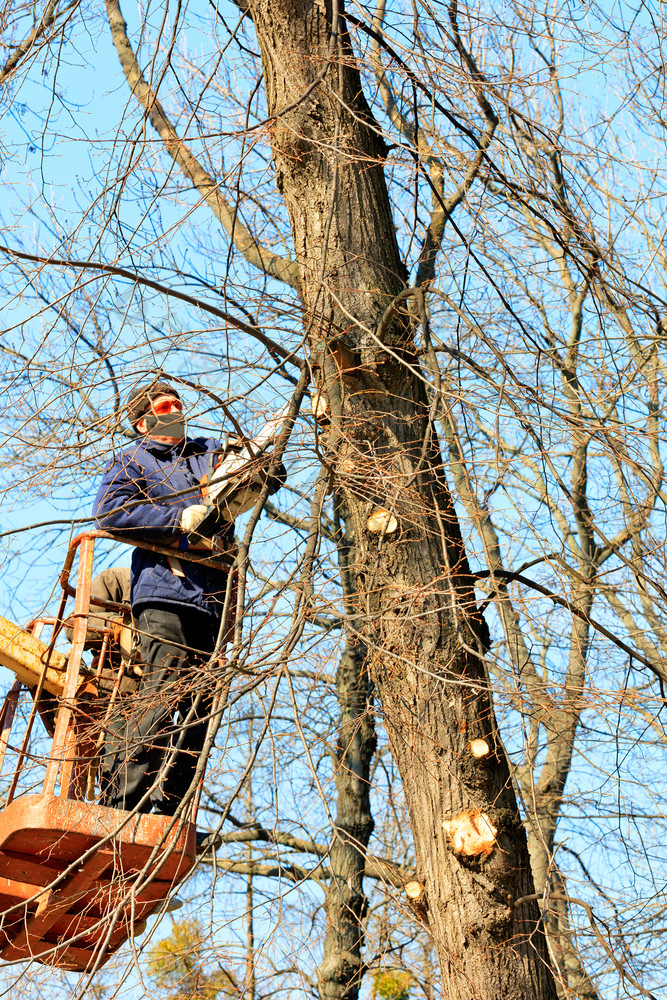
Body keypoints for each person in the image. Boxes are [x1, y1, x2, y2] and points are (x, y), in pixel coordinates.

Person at [92, 380, 237, 832]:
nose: (175, 410)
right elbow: (110, 513)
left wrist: (263, 461)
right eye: (164, 406)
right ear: (142, 422)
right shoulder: (132, 460)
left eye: (178, 404)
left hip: (214, 598)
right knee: (162, 693)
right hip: (166, 592)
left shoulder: (208, 450)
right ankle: (121, 806)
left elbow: (259, 466)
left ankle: (169, 817)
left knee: (201, 713)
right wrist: (177, 520)